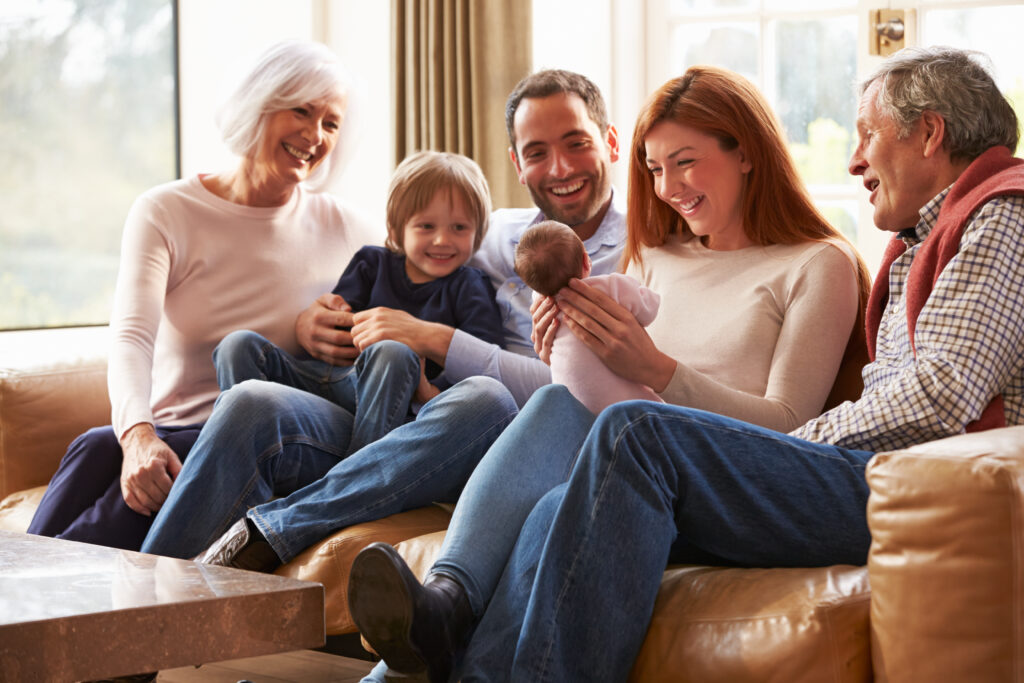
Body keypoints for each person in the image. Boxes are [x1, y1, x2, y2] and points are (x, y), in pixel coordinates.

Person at [358, 46, 1024, 682]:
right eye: (654, 169)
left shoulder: (999, 214)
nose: (854, 160)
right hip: (850, 471)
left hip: (905, 485)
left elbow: (940, 392)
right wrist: (566, 345)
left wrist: (789, 442)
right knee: (554, 487)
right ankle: (442, 612)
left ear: (929, 133)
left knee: (636, 429)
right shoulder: (922, 240)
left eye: (867, 135)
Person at [137, 69, 628, 565]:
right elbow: (411, 246)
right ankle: (143, 598)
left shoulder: (643, 252)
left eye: (576, 143)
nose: (560, 167)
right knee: (248, 400)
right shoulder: (496, 234)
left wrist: (429, 339)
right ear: (517, 165)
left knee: (484, 398)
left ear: (610, 142)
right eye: (537, 152)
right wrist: (309, 322)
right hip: (372, 417)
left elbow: (575, 395)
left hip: (468, 432)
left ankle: (268, 530)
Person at [26, 40, 367, 552]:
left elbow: (385, 340)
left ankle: (31, 608)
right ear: (259, 103)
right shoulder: (166, 211)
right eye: (301, 110)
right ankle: (21, 594)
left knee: (139, 487)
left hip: (253, 441)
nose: (314, 135)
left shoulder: (350, 230)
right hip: (175, 427)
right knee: (95, 446)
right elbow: (131, 337)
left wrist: (330, 331)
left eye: (331, 123)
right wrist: (137, 434)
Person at [214, 150, 503, 457]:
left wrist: (431, 393)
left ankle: (356, 475)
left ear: (478, 233)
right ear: (396, 229)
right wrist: (325, 316)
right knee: (237, 345)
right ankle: (246, 455)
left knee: (393, 352)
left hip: (388, 399)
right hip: (330, 377)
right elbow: (335, 323)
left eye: (459, 228)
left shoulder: (470, 285)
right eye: (426, 227)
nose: (443, 240)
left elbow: (480, 370)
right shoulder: (371, 261)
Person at [513, 220, 662, 413]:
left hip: (574, 412)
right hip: (628, 409)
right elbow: (650, 310)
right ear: (586, 260)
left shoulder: (541, 304)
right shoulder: (610, 287)